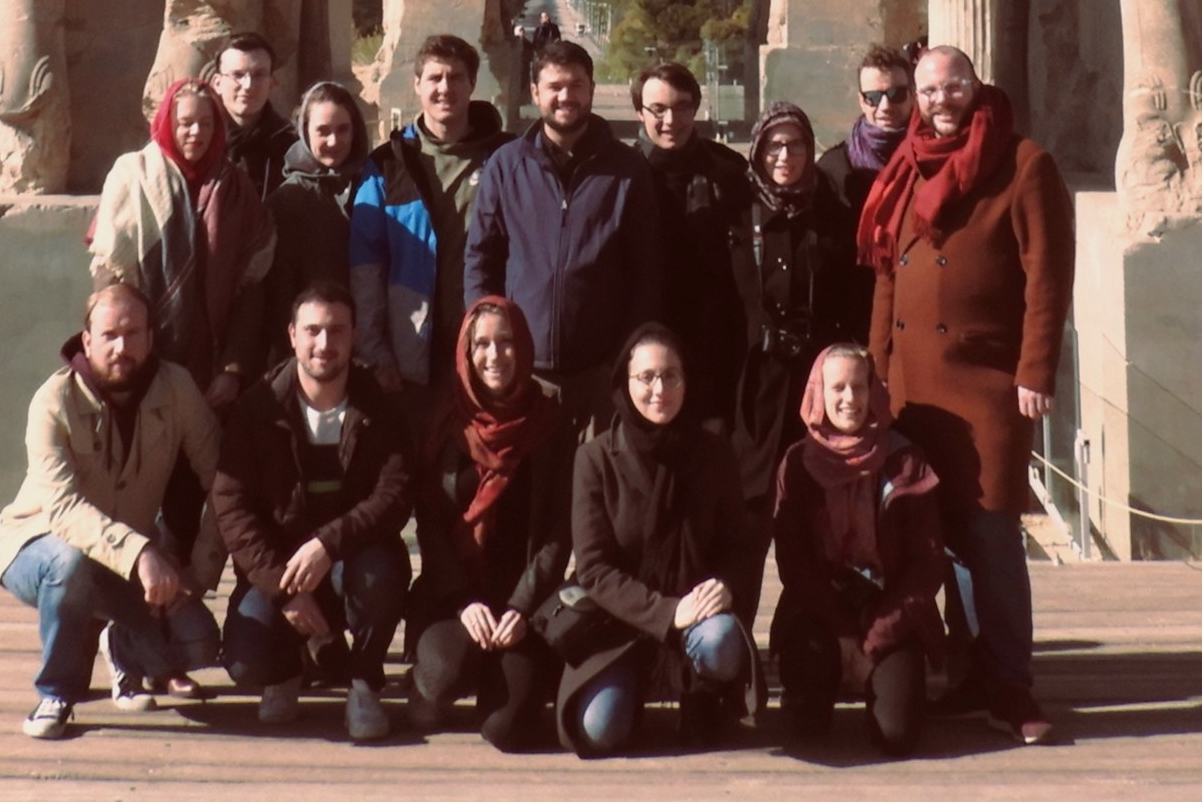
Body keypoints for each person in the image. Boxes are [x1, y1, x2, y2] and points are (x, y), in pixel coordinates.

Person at [863, 45, 1071, 745]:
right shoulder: (908, 164)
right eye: (928, 91)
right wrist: (876, 372)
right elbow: (888, 276)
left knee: (992, 534)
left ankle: (1012, 685)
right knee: (945, 534)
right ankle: (971, 671)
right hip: (914, 386)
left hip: (987, 384)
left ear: (975, 86)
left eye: (952, 87)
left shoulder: (1024, 163)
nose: (940, 101)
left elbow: (1047, 277)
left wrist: (1036, 370)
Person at [0, 283, 221, 740]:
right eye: (109, 335)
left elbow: (223, 478)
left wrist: (198, 572)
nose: (122, 347)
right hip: (37, 546)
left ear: (150, 338)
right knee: (70, 565)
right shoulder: (54, 401)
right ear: (87, 340)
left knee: (197, 641)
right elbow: (63, 510)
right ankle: (56, 693)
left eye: (133, 334)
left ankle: (120, 647)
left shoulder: (177, 388)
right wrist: (142, 553)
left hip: (122, 563)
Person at [210, 282, 412, 741]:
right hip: (281, 570)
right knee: (245, 661)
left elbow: (395, 494)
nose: (325, 343)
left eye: (337, 330)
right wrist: (282, 590)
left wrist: (327, 544)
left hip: (352, 563)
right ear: (292, 335)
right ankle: (286, 672)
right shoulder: (256, 408)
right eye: (313, 330)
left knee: (380, 575)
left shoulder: (379, 405)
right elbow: (232, 508)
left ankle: (364, 682)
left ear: (354, 335)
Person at [557, 324, 762, 758]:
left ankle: (703, 692)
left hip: (698, 617)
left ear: (687, 380)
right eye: (646, 377)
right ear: (625, 382)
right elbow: (593, 569)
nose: (660, 390)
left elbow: (742, 545)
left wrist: (726, 585)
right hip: (620, 622)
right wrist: (667, 613)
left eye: (671, 376)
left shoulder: (715, 454)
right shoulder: (595, 458)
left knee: (721, 641)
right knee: (600, 729)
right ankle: (633, 684)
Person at [465, 40, 663, 431]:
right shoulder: (506, 166)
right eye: (554, 86)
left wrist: (626, 354)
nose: (565, 96)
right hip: (522, 374)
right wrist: (488, 345)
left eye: (576, 85)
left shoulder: (627, 169)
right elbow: (481, 259)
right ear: (535, 92)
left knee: (595, 472)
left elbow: (646, 270)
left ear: (591, 89)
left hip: (600, 375)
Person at [404, 297, 573, 751]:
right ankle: (448, 668)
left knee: (505, 730)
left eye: (506, 342)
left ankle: (511, 674)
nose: (494, 355)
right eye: (481, 344)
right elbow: (430, 523)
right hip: (459, 598)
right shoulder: (445, 421)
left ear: (524, 347)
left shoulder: (551, 424)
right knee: (440, 681)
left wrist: (521, 607)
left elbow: (558, 534)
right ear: (466, 350)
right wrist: (463, 601)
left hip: (524, 604)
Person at [771, 344, 946, 756]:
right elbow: (793, 565)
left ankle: (881, 676)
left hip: (890, 607)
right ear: (819, 393)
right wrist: (842, 632)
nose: (849, 398)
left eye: (859, 386)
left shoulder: (906, 461)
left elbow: (927, 566)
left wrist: (872, 641)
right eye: (838, 388)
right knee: (809, 724)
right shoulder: (797, 464)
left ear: (873, 391)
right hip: (821, 607)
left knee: (896, 736)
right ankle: (818, 683)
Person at [725, 101, 858, 622]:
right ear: (758, 151)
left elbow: (850, 302)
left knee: (814, 526)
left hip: (814, 392)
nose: (785, 156)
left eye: (796, 144)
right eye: (774, 146)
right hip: (752, 396)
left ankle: (812, 643)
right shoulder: (736, 214)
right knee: (746, 529)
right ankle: (734, 647)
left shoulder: (832, 216)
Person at [351, 35, 513, 426]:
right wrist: (375, 352)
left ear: (472, 84)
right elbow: (366, 269)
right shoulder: (388, 165)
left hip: (485, 348)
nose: (445, 88)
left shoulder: (505, 157)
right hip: (409, 352)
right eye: (435, 78)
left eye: (456, 77)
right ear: (417, 84)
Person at [90, 77, 275, 417]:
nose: (196, 132)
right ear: (167, 122)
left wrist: (233, 369)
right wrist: (125, 355)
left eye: (206, 123)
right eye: (186, 122)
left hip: (212, 367)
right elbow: (110, 278)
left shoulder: (236, 188)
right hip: (140, 360)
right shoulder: (133, 177)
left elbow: (251, 289)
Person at [632, 61, 750, 434]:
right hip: (644, 341)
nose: (671, 120)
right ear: (640, 113)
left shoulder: (728, 173)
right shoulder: (623, 176)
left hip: (713, 346)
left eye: (682, 107)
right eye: (658, 109)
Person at [264, 81, 370, 366]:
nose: (334, 141)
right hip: (315, 352)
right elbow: (279, 294)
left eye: (343, 130)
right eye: (323, 131)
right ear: (305, 132)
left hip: (369, 350)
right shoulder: (288, 200)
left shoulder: (375, 187)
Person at [817, 45, 916, 338]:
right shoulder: (833, 169)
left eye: (896, 94)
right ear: (861, 101)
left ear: (912, 95)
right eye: (873, 97)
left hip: (916, 309)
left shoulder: (932, 159)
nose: (885, 106)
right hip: (856, 314)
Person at [209, 32, 297, 199]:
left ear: (272, 83)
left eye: (259, 75)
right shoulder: (199, 138)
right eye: (238, 75)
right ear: (217, 83)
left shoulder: (290, 146)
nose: (248, 85)